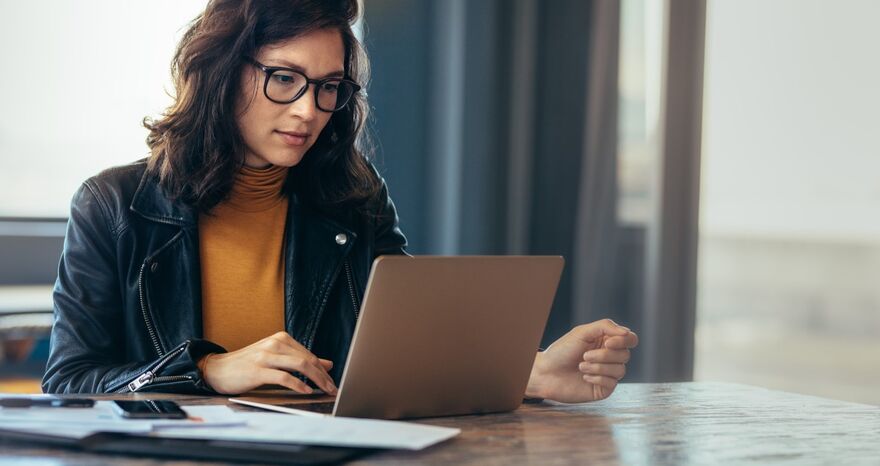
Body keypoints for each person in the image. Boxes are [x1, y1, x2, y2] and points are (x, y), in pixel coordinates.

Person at [41, 0, 638, 404]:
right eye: (284, 78)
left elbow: (405, 352)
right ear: (222, 71)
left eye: (329, 87)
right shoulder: (113, 206)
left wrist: (529, 373)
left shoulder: (354, 197)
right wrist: (205, 372)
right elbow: (68, 383)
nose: (308, 110)